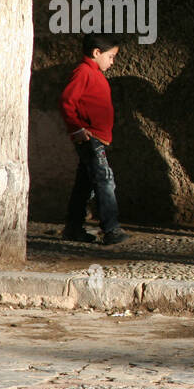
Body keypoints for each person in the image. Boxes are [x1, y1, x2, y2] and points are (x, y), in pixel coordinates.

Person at [59, 33, 129, 246]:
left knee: (84, 185)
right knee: (105, 181)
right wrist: (77, 128)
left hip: (96, 138)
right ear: (96, 52)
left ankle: (73, 228)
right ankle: (111, 229)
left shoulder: (94, 73)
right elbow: (66, 101)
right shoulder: (83, 72)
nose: (112, 61)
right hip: (90, 138)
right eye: (110, 56)